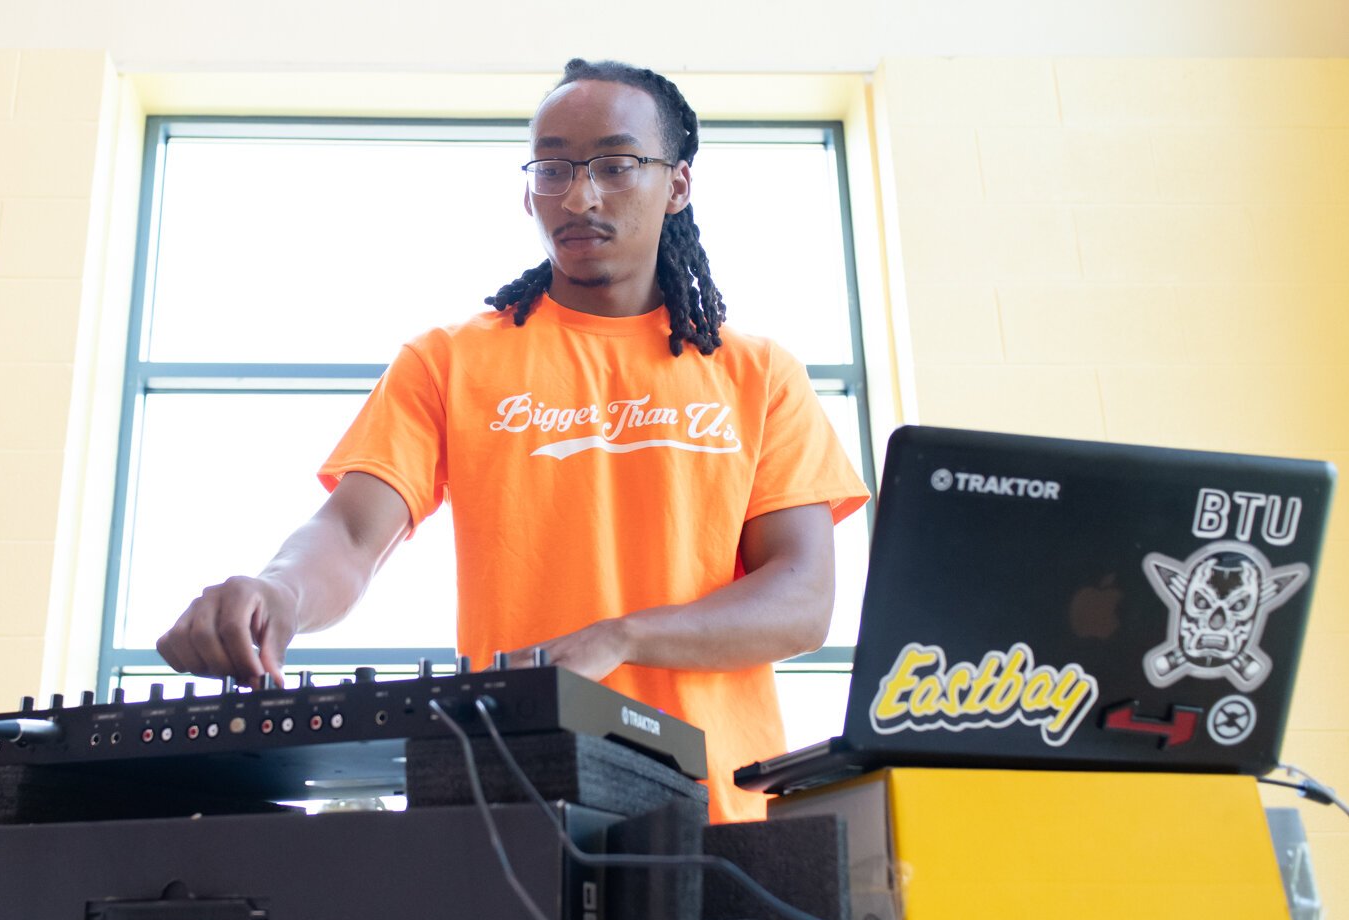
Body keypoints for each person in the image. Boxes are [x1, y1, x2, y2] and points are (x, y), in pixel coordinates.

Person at [157, 58, 870, 822]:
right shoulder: (452, 359)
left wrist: (621, 637)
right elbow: (351, 532)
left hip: (720, 814)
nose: (579, 195)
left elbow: (802, 600)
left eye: (615, 165)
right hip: (516, 806)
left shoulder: (758, 374)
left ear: (678, 185)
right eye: (554, 167)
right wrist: (279, 592)